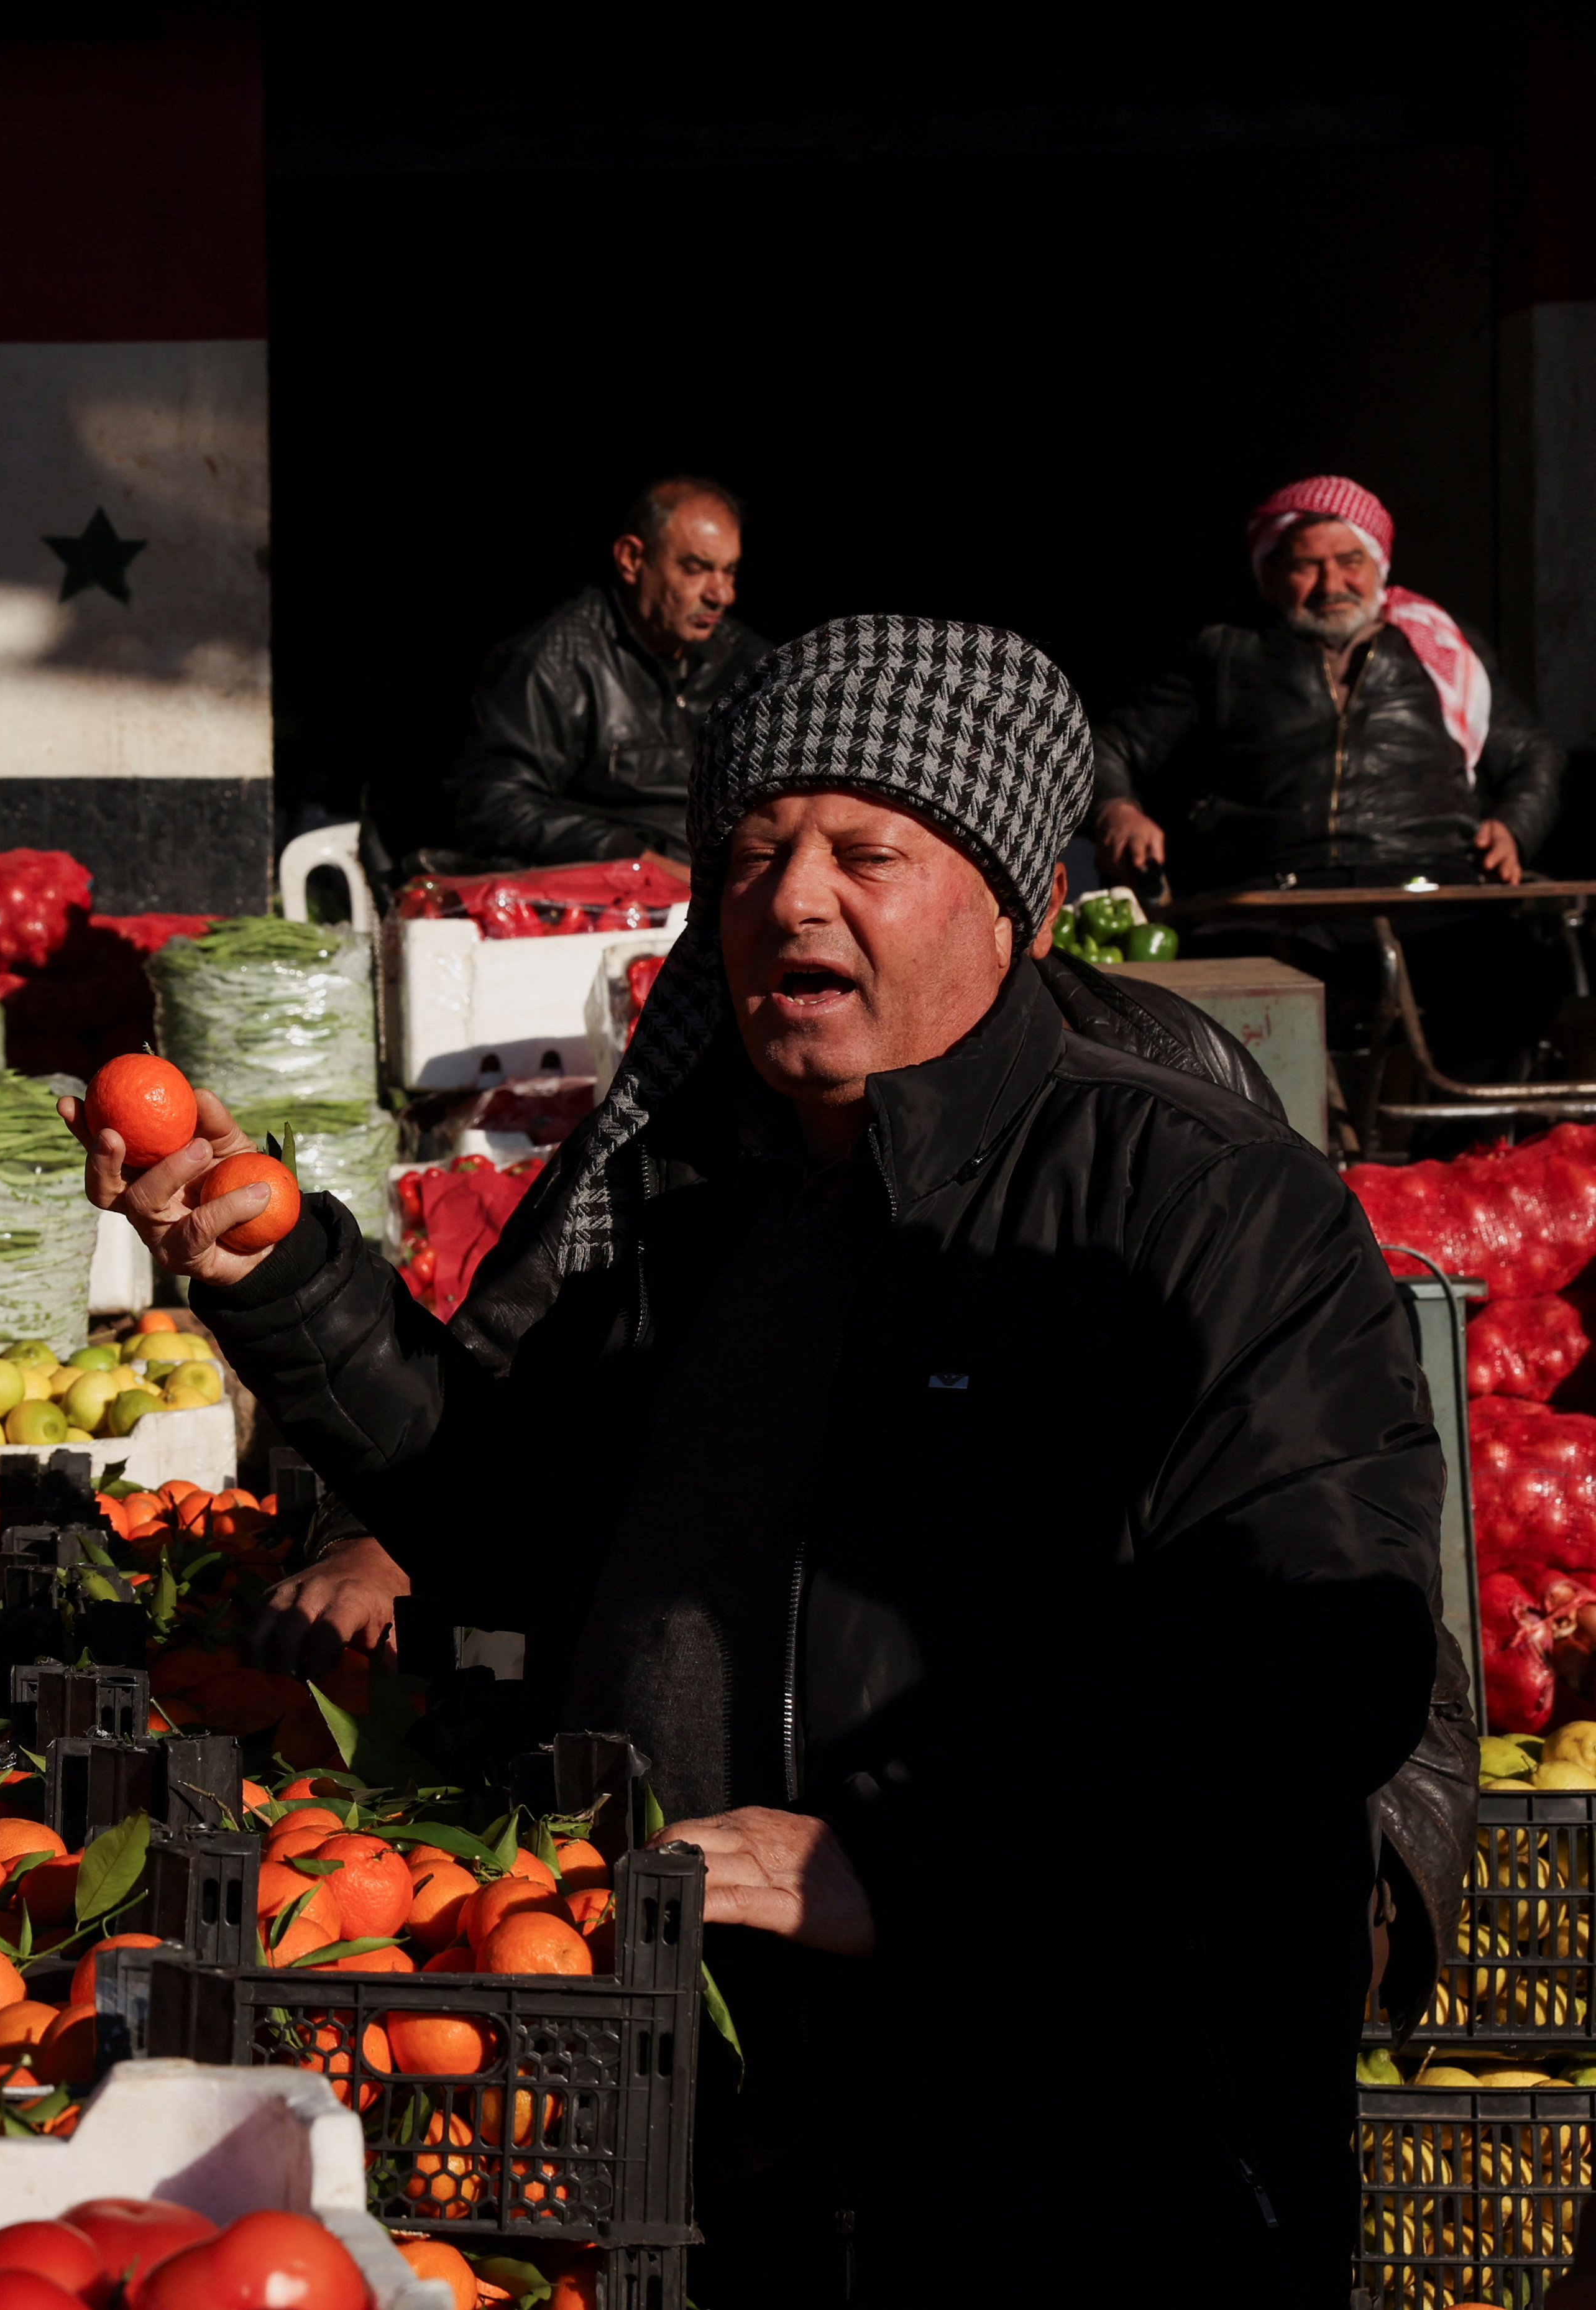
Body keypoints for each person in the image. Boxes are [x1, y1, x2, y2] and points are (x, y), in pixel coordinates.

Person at [78, 617, 1441, 2307]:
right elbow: (510, 1517)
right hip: (718, 2129)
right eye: (746, 854)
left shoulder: (1190, 1204)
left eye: (864, 853)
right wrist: (277, 1280)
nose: (788, 900)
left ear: (1006, 897)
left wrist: (913, 1851)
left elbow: (1316, 1651)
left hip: (1080, 2148)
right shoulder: (685, 1199)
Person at [1093, 474, 1564, 893]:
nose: (1331, 584)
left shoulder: (1441, 648)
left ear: (1378, 564)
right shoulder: (1226, 654)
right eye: (1306, 566)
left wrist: (1513, 828)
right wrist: (1118, 810)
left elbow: (1533, 754)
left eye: (1349, 560)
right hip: (1270, 895)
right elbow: (1106, 748)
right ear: (1272, 577)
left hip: (1430, 886)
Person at [428, 476, 771, 867]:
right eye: (696, 569)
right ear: (632, 559)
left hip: (727, 892)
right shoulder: (554, 662)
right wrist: (631, 857)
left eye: (729, 571)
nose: (722, 594)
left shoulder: (749, 663)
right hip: (617, 905)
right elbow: (492, 805)